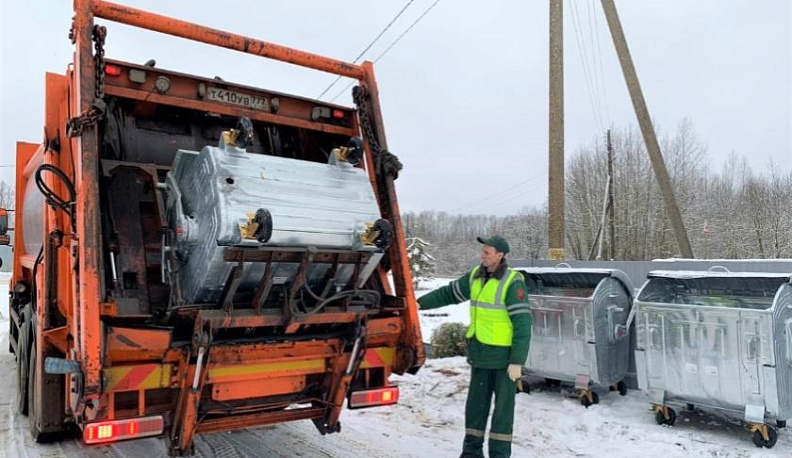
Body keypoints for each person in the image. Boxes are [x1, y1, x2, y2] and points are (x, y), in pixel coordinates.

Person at [418, 235, 531, 458]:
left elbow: (523, 324)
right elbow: (449, 293)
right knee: (475, 408)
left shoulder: (512, 281)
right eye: (482, 251)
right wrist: (418, 303)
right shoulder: (475, 276)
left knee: (502, 413)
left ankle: (499, 454)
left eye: (487, 252)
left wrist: (517, 360)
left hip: (503, 360)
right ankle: (471, 453)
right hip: (480, 355)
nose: (482, 255)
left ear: (500, 255)